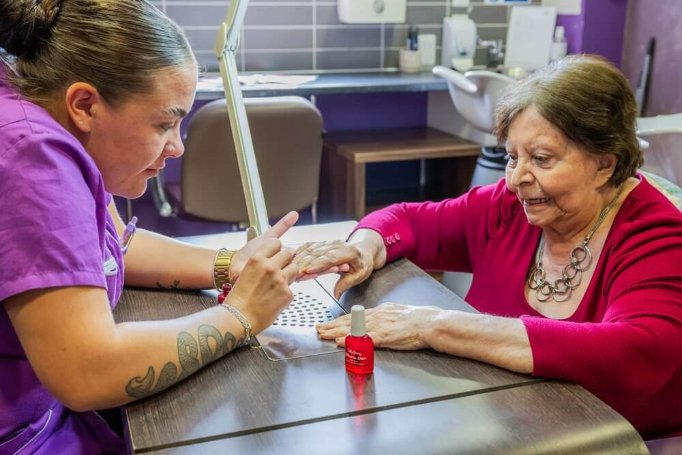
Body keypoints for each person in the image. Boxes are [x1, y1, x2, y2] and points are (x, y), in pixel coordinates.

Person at [296, 55, 682, 439]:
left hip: (615, 442)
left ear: (605, 165)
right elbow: (407, 220)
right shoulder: (510, 207)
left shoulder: (656, 233)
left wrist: (433, 326)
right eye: (512, 157)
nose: (516, 179)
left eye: (542, 160)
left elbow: (637, 354)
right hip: (509, 424)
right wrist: (364, 247)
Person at [0, 1, 321, 452]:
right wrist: (241, 315)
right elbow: (88, 370)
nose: (177, 147)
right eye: (165, 123)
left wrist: (229, 264)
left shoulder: (37, 114)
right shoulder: (35, 157)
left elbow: (114, 253)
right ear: (85, 104)